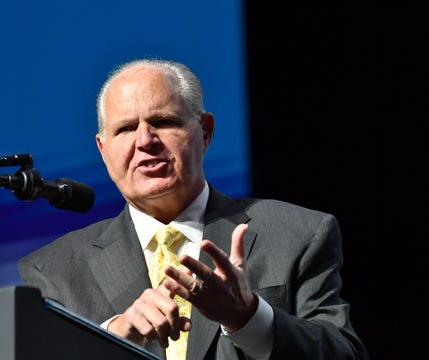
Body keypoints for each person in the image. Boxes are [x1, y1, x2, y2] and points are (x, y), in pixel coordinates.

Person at [19, 59, 369, 359]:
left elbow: (345, 354)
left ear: (205, 132)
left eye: (164, 122)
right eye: (126, 128)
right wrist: (112, 335)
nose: (145, 141)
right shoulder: (53, 271)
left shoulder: (297, 234)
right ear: (103, 149)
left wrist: (249, 317)